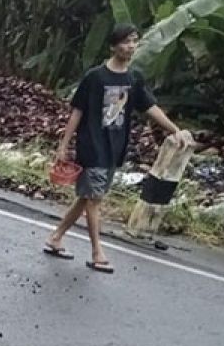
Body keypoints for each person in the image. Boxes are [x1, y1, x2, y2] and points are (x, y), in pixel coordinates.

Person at [43, 23, 184, 273]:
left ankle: (56, 237)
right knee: (94, 200)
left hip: (115, 147)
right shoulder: (95, 77)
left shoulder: (134, 79)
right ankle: (98, 252)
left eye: (134, 41)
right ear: (113, 46)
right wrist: (63, 145)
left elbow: (150, 108)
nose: (130, 46)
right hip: (92, 145)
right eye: (125, 41)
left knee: (87, 197)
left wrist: (175, 130)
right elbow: (77, 111)